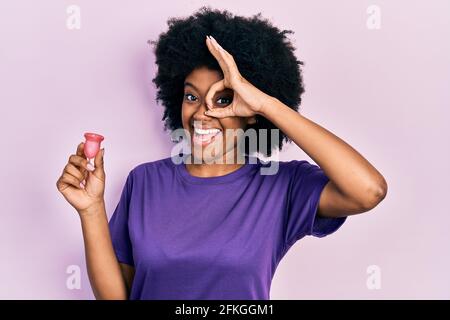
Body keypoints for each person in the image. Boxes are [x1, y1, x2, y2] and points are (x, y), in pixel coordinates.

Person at [56, 6, 387, 300]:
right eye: (191, 97)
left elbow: (368, 190)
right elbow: (118, 297)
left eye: (223, 99)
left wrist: (268, 104)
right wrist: (91, 210)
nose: (202, 113)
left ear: (250, 109)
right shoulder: (144, 181)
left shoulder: (280, 187)